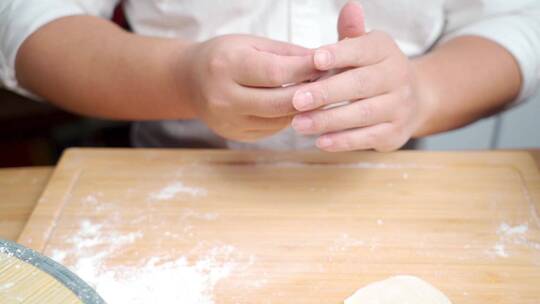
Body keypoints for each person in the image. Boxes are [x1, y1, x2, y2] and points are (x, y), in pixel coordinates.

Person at [1, 1, 539, 152]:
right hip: (173, 176)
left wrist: (422, 93)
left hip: (387, 185)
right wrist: (179, 78)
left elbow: (519, 24)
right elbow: (25, 17)